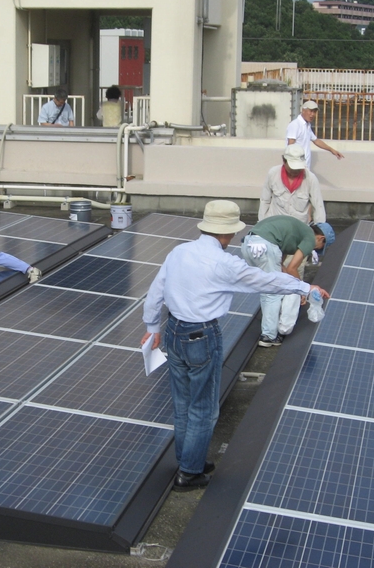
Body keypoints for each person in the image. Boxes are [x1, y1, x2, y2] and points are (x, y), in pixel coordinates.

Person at [141, 201, 329, 491]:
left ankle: (188, 459)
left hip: (173, 332)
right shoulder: (226, 263)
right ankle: (189, 472)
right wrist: (306, 288)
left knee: (182, 403)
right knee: (203, 409)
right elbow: (266, 281)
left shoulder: (179, 251)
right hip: (202, 337)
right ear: (228, 234)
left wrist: (153, 327)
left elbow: (156, 290)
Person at [241, 215, 334, 348]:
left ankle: (270, 328)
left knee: (269, 288)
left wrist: (293, 285)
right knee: (273, 292)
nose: (315, 249)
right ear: (321, 238)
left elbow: (280, 265)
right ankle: (269, 336)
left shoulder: (295, 232)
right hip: (265, 246)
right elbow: (292, 268)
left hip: (248, 244)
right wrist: (302, 290)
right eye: (319, 247)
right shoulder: (309, 237)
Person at [258, 143, 326, 224]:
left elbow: (318, 207)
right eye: (292, 168)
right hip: (274, 225)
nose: (295, 171)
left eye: (298, 168)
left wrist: (319, 231)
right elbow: (265, 201)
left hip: (299, 228)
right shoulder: (273, 173)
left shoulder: (310, 179)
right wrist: (261, 225)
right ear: (284, 160)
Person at [286, 100, 344, 170]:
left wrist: (332, 150)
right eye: (310, 111)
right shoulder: (295, 125)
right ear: (303, 110)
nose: (312, 114)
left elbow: (316, 140)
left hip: (305, 167)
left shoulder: (307, 125)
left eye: (314, 112)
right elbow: (290, 146)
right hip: (296, 167)